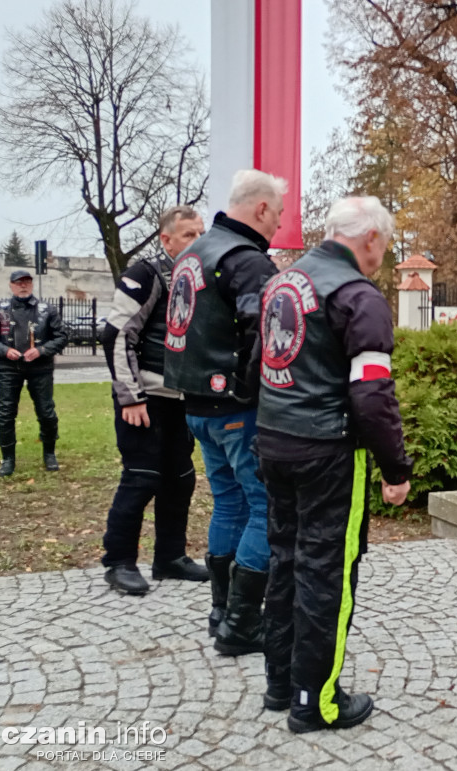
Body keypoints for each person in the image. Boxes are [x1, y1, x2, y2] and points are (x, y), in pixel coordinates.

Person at [255, 196, 413, 733]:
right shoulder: (357, 295)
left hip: (274, 439)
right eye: (384, 247)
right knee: (326, 571)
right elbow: (371, 394)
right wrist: (396, 470)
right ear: (370, 238)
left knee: (285, 560)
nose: (382, 258)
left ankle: (280, 683)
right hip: (326, 451)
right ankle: (315, 701)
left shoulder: (284, 281)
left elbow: (261, 362)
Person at [162, 170, 285, 655]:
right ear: (259, 209)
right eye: (276, 214)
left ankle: (221, 611)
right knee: (264, 506)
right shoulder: (246, 261)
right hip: (238, 407)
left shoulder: (193, 253)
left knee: (229, 503)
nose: (277, 225)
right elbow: (268, 336)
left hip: (196, 405)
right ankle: (241, 625)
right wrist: (260, 391)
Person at [99, 206, 210, 596]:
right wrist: (130, 397)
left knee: (180, 480)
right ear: (167, 239)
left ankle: (170, 558)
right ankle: (119, 561)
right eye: (189, 235)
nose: (199, 240)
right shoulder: (144, 274)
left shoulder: (199, 276)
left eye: (201, 233)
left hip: (182, 398)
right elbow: (117, 335)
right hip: (145, 397)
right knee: (141, 478)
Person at [0, 270, 69, 477]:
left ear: (32, 285)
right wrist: (5, 351)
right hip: (9, 368)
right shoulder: (0, 309)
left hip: (41, 368)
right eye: (19, 283)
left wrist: (41, 350)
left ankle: (49, 453)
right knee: (5, 413)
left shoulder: (46, 310)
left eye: (27, 282)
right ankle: (8, 459)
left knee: (47, 412)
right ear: (11, 285)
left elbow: (63, 336)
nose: (23, 286)